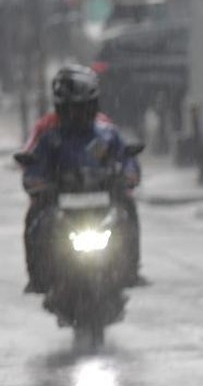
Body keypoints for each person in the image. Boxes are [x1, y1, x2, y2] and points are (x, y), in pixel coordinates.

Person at [21, 64, 145, 294]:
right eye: (71, 109)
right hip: (60, 202)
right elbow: (33, 167)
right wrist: (39, 184)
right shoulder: (50, 136)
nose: (77, 115)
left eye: (83, 108)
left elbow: (126, 159)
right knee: (35, 217)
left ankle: (130, 271)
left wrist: (126, 176)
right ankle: (37, 277)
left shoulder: (106, 133)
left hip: (102, 199)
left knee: (128, 209)